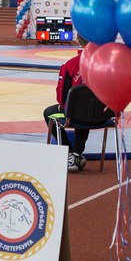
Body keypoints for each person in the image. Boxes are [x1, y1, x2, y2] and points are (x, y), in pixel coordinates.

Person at [41, 34, 92, 172]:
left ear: (78, 41)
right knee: (86, 107)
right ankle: (77, 154)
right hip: (103, 114)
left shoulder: (70, 65)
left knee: (50, 113)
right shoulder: (106, 62)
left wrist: (64, 106)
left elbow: (62, 96)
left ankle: (69, 153)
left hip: (77, 113)